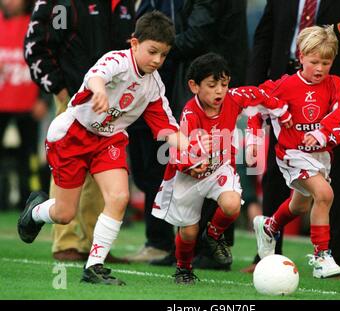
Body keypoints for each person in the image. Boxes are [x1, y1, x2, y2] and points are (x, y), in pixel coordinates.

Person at [17, 11, 188, 285]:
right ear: (134, 44)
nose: (157, 60)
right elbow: (96, 77)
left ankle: (94, 267)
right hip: (72, 136)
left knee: (119, 197)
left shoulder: (154, 86)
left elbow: (167, 128)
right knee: (64, 214)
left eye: (164, 55)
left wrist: (191, 147)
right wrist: (98, 91)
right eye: (152, 51)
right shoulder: (116, 61)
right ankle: (35, 211)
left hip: (108, 140)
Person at [242, 0, 340, 277]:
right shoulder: (281, 88)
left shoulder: (335, 82)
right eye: (314, 61)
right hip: (286, 98)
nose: (319, 65)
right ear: (304, 56)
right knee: (305, 188)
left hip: (332, 104)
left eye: (323, 62)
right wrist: (254, 96)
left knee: (313, 194)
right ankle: (280, 257)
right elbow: (264, 35)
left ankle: (333, 256)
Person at [128, 0, 249, 268]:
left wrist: (156, 51)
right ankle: (194, 247)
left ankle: (207, 249)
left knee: (206, 164)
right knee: (201, 163)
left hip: (209, 83)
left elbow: (198, 34)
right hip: (205, 81)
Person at [151, 52, 290, 283]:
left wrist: (282, 112)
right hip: (188, 177)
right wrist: (191, 162)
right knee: (188, 232)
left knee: (232, 204)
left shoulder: (233, 98)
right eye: (212, 85)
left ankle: (214, 235)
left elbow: (260, 94)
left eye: (224, 84)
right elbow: (175, 153)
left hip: (219, 169)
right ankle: (184, 268)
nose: (219, 91)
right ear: (194, 86)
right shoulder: (189, 113)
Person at [24, 0, 135, 262]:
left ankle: (95, 244)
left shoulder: (126, 3)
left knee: (103, 166)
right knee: (69, 162)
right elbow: (36, 44)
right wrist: (59, 87)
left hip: (111, 103)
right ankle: (66, 242)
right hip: (74, 96)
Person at [0, 0, 48, 211]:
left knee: (29, 158)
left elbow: (46, 60)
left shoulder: (35, 23)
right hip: (2, 102)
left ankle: (28, 202)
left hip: (28, 103)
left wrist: (43, 98)